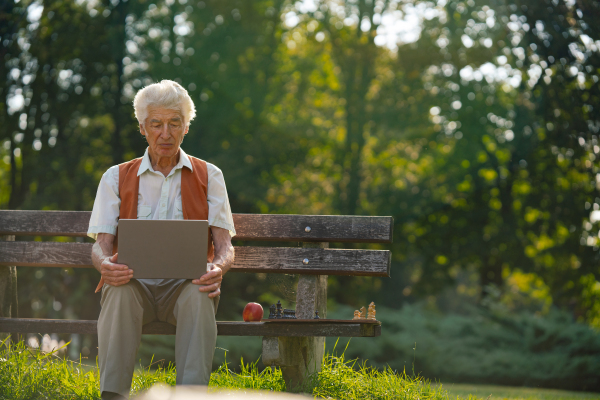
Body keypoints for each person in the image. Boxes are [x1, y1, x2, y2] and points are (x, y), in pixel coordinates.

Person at [87, 80, 236, 400]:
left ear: (186, 127)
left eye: (174, 123)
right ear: (143, 128)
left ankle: (191, 395)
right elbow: (100, 245)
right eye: (156, 124)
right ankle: (112, 395)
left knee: (199, 293)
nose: (165, 133)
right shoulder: (115, 177)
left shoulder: (210, 175)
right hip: (134, 286)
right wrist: (104, 266)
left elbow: (225, 247)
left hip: (185, 288)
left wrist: (218, 268)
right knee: (118, 289)